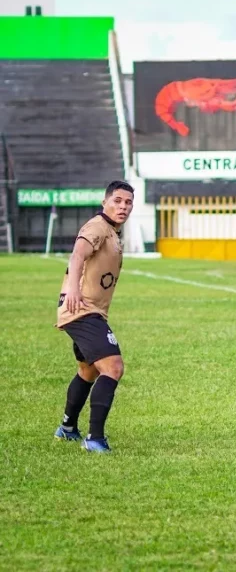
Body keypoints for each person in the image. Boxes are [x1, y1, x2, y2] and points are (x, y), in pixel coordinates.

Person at [53, 180, 135, 453]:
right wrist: (74, 290)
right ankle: (95, 439)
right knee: (113, 367)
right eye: (117, 201)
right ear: (105, 202)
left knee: (87, 371)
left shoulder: (111, 231)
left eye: (128, 202)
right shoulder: (97, 227)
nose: (123, 206)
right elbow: (77, 255)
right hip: (82, 309)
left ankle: (67, 428)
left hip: (88, 310)